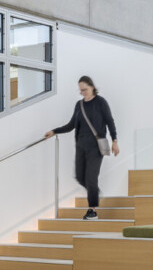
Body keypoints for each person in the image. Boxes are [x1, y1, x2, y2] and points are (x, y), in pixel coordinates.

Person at [44, 76, 119, 219]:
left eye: (85, 89)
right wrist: (54, 131)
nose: (83, 92)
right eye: (81, 91)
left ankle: (92, 210)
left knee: (91, 177)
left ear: (92, 87)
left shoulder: (101, 102)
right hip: (81, 147)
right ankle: (95, 193)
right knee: (79, 176)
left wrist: (115, 140)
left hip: (96, 147)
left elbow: (110, 121)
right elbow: (71, 125)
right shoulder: (79, 105)